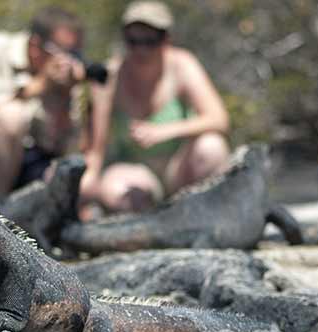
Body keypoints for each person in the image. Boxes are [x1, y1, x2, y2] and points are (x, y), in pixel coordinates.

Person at [80, 0, 230, 215]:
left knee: (212, 147)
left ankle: (205, 216)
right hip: (135, 171)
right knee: (115, 191)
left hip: (179, 170)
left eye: (150, 41)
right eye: (133, 41)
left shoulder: (182, 65)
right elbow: (96, 150)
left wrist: (164, 131)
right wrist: (86, 186)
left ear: (166, 38)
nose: (141, 49)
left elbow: (219, 119)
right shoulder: (110, 75)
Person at [0, 6, 86, 203]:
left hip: (33, 166)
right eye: (62, 52)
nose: (68, 61)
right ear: (35, 46)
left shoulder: (68, 78)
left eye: (74, 53)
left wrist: (63, 100)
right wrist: (37, 86)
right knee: (9, 117)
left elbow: (61, 145)